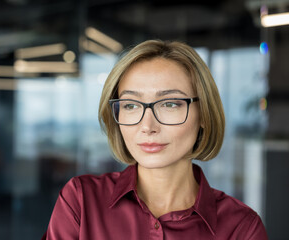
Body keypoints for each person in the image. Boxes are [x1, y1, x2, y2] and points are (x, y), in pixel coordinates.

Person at [42, 40, 268, 239]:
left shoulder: (241, 229)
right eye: (131, 105)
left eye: (170, 104)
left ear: (204, 115)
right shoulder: (81, 201)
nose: (147, 126)